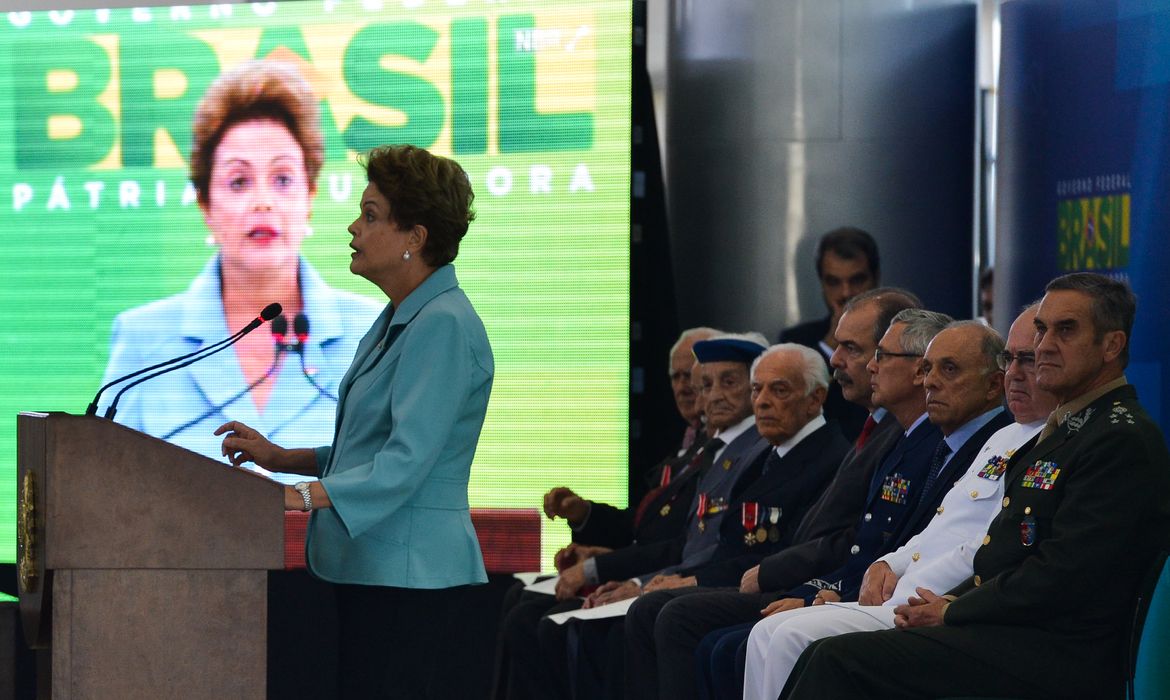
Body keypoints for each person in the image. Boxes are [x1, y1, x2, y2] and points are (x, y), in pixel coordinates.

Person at [783, 273, 1170, 700]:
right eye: (1042, 329)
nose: (1044, 346)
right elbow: (1002, 554)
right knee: (826, 654)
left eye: (1066, 330)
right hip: (1008, 631)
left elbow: (1063, 575)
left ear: (1112, 345)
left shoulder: (1119, 439)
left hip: (1056, 654)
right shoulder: (1064, 432)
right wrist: (947, 603)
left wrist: (953, 609)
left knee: (836, 661)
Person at [216, 144, 493, 699]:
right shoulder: (401, 317)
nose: (353, 227)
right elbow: (371, 446)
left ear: (415, 237)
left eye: (370, 216)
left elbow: (407, 461)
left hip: (411, 579)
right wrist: (281, 458)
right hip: (377, 570)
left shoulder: (441, 325)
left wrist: (299, 497)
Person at [620, 289, 924, 700]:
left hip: (832, 586)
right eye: (756, 390)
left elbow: (862, 541)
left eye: (853, 349)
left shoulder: (892, 436)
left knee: (679, 618)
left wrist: (811, 589)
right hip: (804, 579)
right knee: (658, 615)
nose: (837, 360)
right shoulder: (869, 433)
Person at [742, 305, 1056, 699]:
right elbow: (937, 528)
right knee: (766, 632)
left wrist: (924, 595)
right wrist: (889, 562)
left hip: (935, 602)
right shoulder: (1003, 439)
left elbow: (987, 545)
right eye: (1010, 359)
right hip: (899, 589)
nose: (931, 383)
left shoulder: (1045, 442)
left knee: (790, 635)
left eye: (949, 370)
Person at [99, 60, 381, 481]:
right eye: (238, 182)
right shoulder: (144, 340)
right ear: (205, 205)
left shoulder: (373, 331)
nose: (263, 201)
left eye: (283, 179)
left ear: (310, 197)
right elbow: (106, 490)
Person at [780, 227, 881, 441]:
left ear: (875, 278)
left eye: (857, 280)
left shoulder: (898, 339)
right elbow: (789, 409)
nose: (846, 293)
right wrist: (831, 345)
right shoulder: (796, 343)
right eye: (834, 282)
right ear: (822, 285)